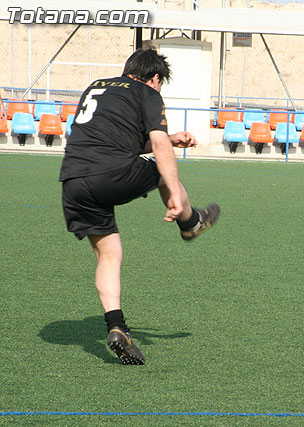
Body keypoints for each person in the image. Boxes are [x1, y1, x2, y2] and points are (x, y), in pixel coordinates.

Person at [59, 48, 220, 365]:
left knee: (109, 254)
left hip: (73, 180)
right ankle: (191, 222)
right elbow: (157, 146)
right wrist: (174, 191)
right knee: (163, 166)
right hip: (109, 173)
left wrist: (170, 137)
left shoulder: (96, 86)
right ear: (155, 78)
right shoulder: (148, 93)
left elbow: (120, 139)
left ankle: (117, 326)